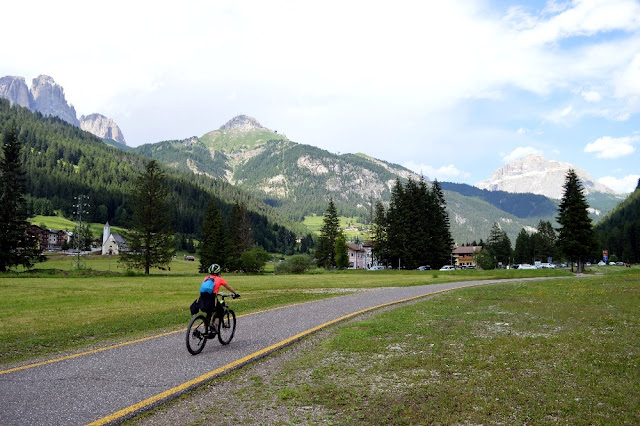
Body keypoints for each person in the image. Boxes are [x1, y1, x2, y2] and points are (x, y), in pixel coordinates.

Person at [199, 263, 239, 337]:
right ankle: (214, 326)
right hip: (212, 298)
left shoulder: (206, 278)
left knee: (209, 313)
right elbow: (229, 287)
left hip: (202, 298)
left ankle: (207, 328)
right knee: (220, 311)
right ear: (218, 272)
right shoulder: (220, 279)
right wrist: (235, 293)